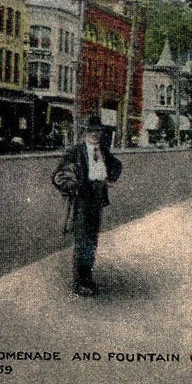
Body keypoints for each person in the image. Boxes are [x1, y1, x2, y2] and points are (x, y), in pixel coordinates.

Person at [52, 115, 122, 296]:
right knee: (83, 240)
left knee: (92, 240)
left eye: (98, 131)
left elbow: (116, 165)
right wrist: (74, 187)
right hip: (82, 199)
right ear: (84, 133)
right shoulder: (76, 152)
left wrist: (111, 177)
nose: (95, 134)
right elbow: (57, 176)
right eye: (91, 131)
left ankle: (87, 279)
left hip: (97, 199)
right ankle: (80, 282)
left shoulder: (103, 151)